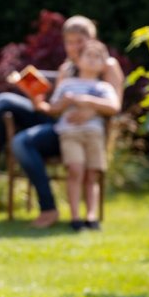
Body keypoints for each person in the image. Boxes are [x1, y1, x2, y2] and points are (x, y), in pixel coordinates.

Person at [0, 15, 124, 228]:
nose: (73, 47)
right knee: (3, 101)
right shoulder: (67, 68)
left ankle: (49, 209)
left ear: (92, 39)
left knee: (21, 142)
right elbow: (57, 107)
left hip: (88, 131)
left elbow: (115, 103)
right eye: (69, 42)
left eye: (79, 42)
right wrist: (37, 99)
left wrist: (89, 110)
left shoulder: (107, 65)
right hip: (61, 124)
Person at [41, 40, 120, 230]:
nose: (93, 60)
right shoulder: (68, 84)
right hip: (70, 134)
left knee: (92, 174)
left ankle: (91, 216)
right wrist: (65, 102)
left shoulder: (104, 88)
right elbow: (53, 108)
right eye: (89, 56)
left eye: (98, 57)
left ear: (103, 64)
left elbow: (113, 107)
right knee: (76, 170)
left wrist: (86, 101)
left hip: (94, 135)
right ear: (78, 61)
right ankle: (75, 217)